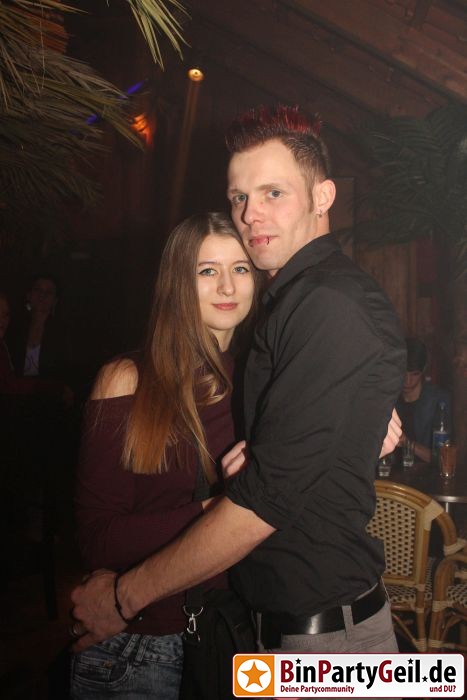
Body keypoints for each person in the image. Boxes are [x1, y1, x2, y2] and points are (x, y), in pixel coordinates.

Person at [70, 105, 405, 662]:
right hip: (251, 635)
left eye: (274, 192)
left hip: (323, 642)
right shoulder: (280, 326)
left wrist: (124, 596)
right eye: (239, 197)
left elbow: (266, 499)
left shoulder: (325, 305)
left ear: (323, 197)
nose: (252, 214)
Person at [69, 212, 262, 699]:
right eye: (207, 270)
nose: (227, 286)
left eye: (240, 268)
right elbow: (97, 542)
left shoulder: (258, 383)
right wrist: (226, 511)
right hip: (138, 646)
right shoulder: (128, 379)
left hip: (231, 636)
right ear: (178, 282)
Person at [396, 337, 452, 464]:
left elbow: (443, 459)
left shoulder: (439, 401)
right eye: (403, 373)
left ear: (423, 370)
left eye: (414, 374)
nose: (407, 381)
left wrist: (407, 443)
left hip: (427, 474)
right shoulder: (389, 398)